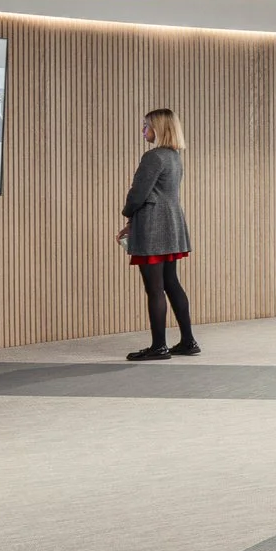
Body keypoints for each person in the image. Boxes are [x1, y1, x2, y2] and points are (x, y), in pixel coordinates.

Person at [117, 108, 198, 362]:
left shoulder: (153, 157)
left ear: (159, 129)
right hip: (172, 225)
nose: (143, 130)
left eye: (146, 126)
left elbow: (138, 194)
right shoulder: (174, 156)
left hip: (153, 226)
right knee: (171, 283)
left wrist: (127, 214)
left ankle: (159, 347)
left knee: (155, 288)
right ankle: (188, 341)